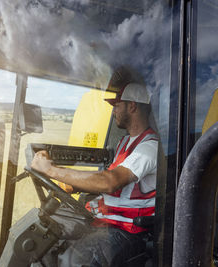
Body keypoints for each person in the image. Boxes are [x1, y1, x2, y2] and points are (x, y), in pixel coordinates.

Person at [31, 66, 158, 267]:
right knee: (47, 242)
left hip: (127, 232)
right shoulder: (125, 143)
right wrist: (72, 186)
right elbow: (111, 183)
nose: (113, 110)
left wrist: (50, 169)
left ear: (132, 106)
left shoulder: (150, 148)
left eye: (117, 105)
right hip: (106, 223)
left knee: (70, 260)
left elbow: (110, 182)